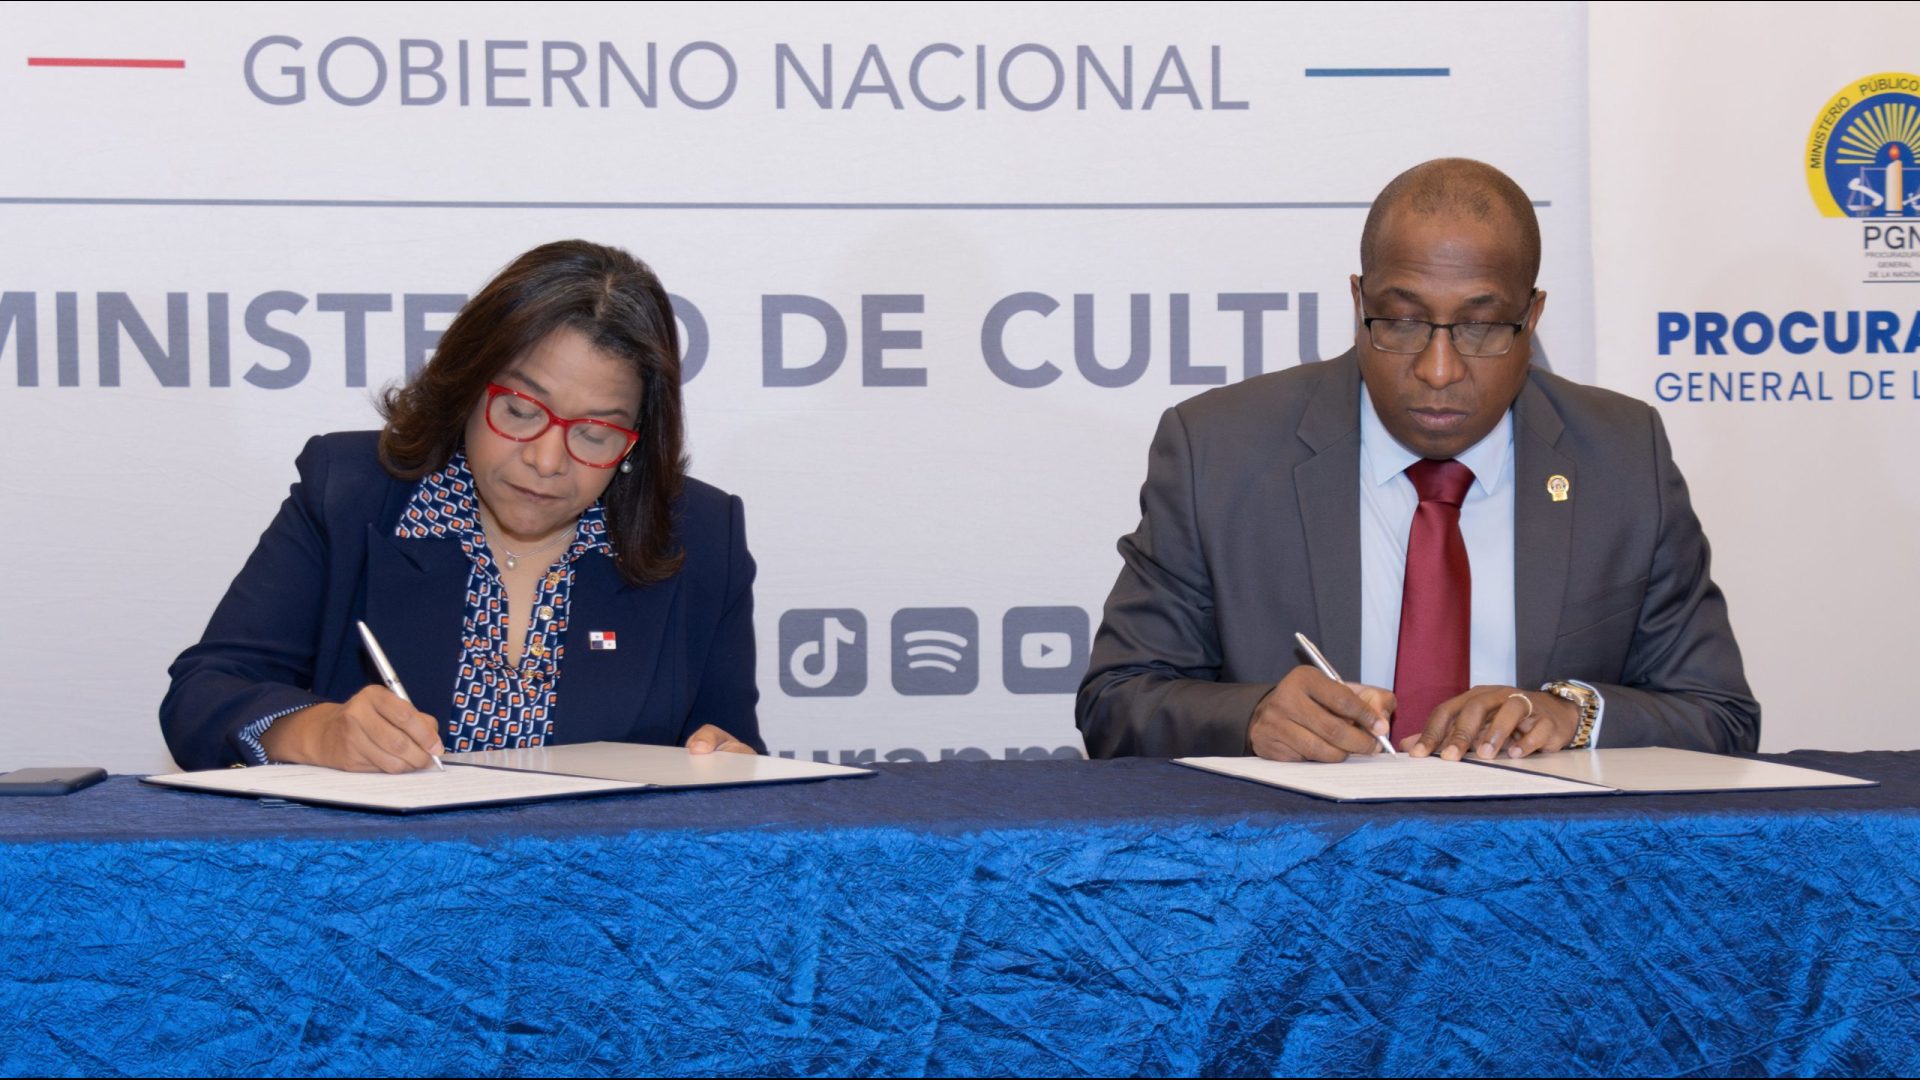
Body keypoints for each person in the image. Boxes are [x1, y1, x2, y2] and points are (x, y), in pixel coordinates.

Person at [1077, 158, 1759, 763]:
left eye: (1481, 327)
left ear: (1532, 317)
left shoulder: (1621, 457)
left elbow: (1720, 715)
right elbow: (1116, 701)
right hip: (1308, 853)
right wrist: (1252, 718)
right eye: (1401, 321)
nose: (1438, 369)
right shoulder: (1219, 451)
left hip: (1542, 855)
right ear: (1358, 303)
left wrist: (1572, 715)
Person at [161, 240, 760, 772]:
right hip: (374, 862)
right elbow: (203, 694)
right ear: (467, 387)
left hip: (602, 866)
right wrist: (318, 732)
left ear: (636, 440)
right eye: (520, 411)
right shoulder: (351, 495)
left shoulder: (702, 539)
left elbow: (728, 744)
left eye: (595, 433)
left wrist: (728, 766)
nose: (547, 459)